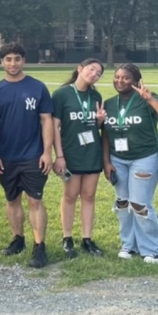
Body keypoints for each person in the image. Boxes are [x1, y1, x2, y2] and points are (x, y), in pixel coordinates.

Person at [102, 63, 158, 264]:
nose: (120, 81)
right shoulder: (109, 104)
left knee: (140, 205)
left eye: (126, 78)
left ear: (136, 81)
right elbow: (105, 136)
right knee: (122, 203)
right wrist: (106, 162)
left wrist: (151, 99)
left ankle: (152, 249)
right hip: (118, 159)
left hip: (144, 157)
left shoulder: (145, 99)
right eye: (117, 77)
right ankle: (129, 245)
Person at [0, 43, 54, 268]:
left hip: (33, 156)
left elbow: (47, 121)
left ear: (24, 60)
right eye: (8, 59)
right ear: (1, 62)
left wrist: (47, 152)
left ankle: (39, 246)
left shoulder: (37, 88)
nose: (13, 63)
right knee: (12, 199)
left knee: (35, 200)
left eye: (17, 59)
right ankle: (18, 239)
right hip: (6, 156)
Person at [52, 58, 107, 259]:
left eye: (98, 73)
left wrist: (100, 122)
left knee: (89, 196)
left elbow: (95, 126)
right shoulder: (61, 94)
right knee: (70, 195)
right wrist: (59, 156)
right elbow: (54, 128)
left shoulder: (96, 95)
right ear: (80, 69)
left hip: (92, 152)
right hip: (70, 153)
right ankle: (67, 238)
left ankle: (87, 239)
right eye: (91, 69)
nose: (94, 74)